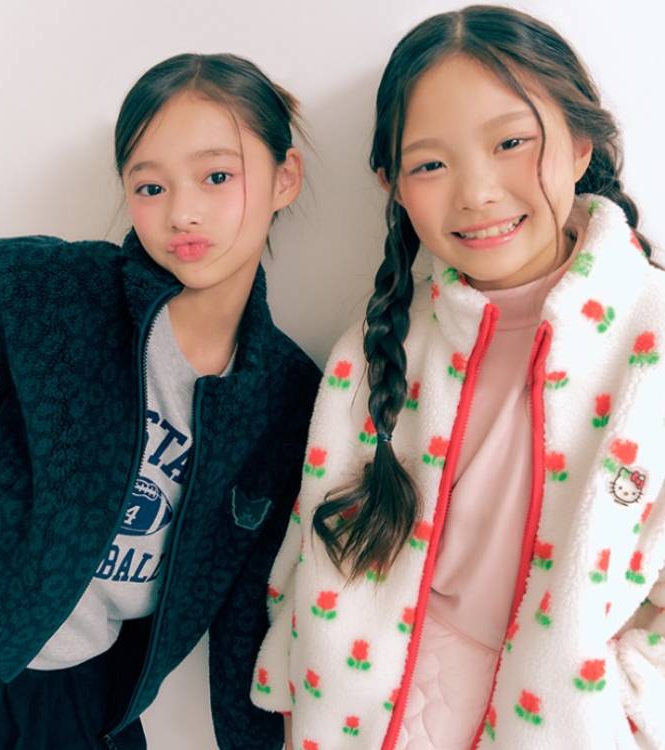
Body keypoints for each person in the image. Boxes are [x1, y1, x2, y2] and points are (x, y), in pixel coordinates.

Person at [251, 6, 665, 749]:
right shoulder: (375, 346)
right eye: (430, 165)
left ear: (580, 144)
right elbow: (309, 550)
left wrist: (621, 707)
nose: (476, 191)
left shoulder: (651, 342)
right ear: (392, 185)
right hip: (359, 719)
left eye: (511, 143)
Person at [0, 52, 320, 750]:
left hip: (88, 695)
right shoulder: (52, 290)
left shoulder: (284, 397)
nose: (182, 212)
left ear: (285, 177)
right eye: (150, 186)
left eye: (217, 176)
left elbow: (250, 608)